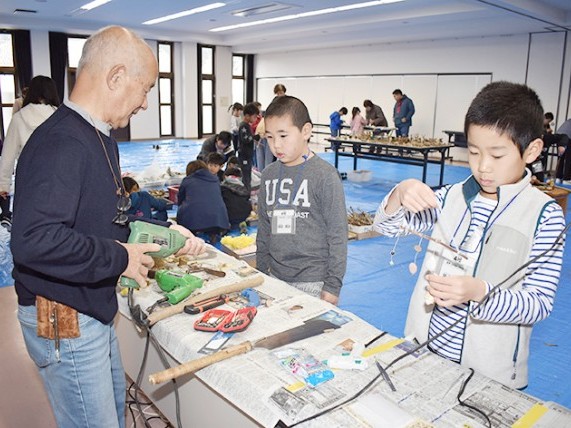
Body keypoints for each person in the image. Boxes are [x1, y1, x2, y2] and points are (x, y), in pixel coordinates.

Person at [10, 26, 205, 428]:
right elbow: (34, 241)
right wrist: (119, 257)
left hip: (89, 309)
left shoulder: (98, 138)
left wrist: (169, 234)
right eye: (144, 89)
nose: (145, 103)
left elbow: (107, 220)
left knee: (113, 415)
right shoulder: (62, 143)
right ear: (116, 77)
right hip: (66, 318)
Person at [373, 81, 565, 389]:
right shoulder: (451, 197)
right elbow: (387, 227)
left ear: (531, 150)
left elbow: (538, 303)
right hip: (425, 353)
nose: (483, 166)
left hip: (489, 373)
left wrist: (480, 292)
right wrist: (400, 192)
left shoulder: (544, 216)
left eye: (497, 155)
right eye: (474, 152)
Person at [256, 95, 348, 305]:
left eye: (283, 135)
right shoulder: (269, 175)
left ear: (306, 131)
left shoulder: (325, 176)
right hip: (274, 275)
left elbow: (338, 234)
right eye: (269, 137)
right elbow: (264, 227)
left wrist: (333, 286)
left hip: (313, 281)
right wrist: (261, 272)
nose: (276, 145)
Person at [0, 76, 60, 229]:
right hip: (57, 178)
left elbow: (7, 156)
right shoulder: (60, 117)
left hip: (28, 178)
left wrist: (3, 185)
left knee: (28, 224)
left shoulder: (19, 119)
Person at [177, 160, 230, 244]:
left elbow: (180, 199)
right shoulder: (215, 179)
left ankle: (192, 233)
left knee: (184, 211)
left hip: (193, 221)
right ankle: (213, 234)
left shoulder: (187, 180)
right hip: (219, 220)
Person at [221, 167, 252, 233]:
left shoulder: (222, 186)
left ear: (225, 176)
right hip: (245, 214)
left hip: (229, 216)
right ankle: (242, 222)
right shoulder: (242, 185)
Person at [238, 102, 260, 192]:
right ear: (247, 116)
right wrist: (256, 137)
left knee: (248, 174)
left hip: (248, 154)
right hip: (244, 155)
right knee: (246, 174)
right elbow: (245, 139)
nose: (255, 119)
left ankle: (247, 190)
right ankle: (246, 192)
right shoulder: (243, 126)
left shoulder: (247, 126)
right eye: (254, 117)